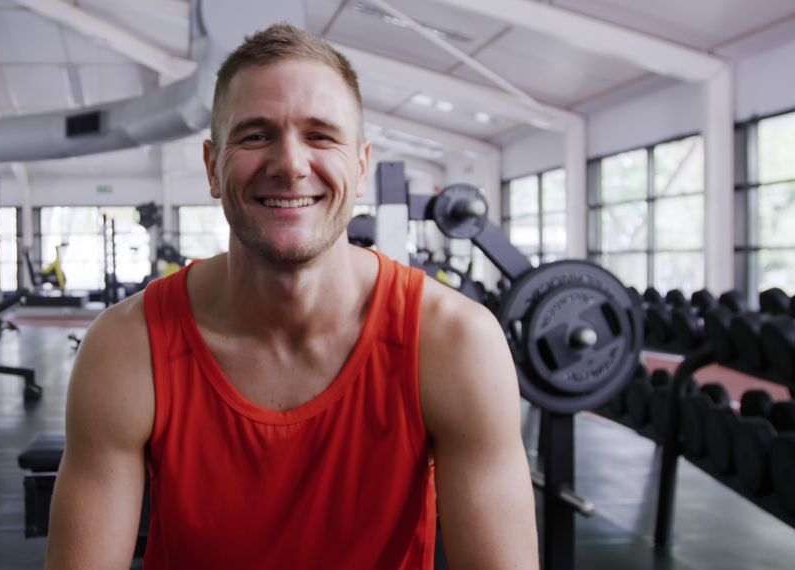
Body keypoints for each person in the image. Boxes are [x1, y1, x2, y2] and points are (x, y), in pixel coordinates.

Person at [46, 23, 538, 569]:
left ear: (361, 164)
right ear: (212, 167)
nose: (290, 164)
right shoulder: (127, 348)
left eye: (321, 135)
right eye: (256, 135)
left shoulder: (454, 343)